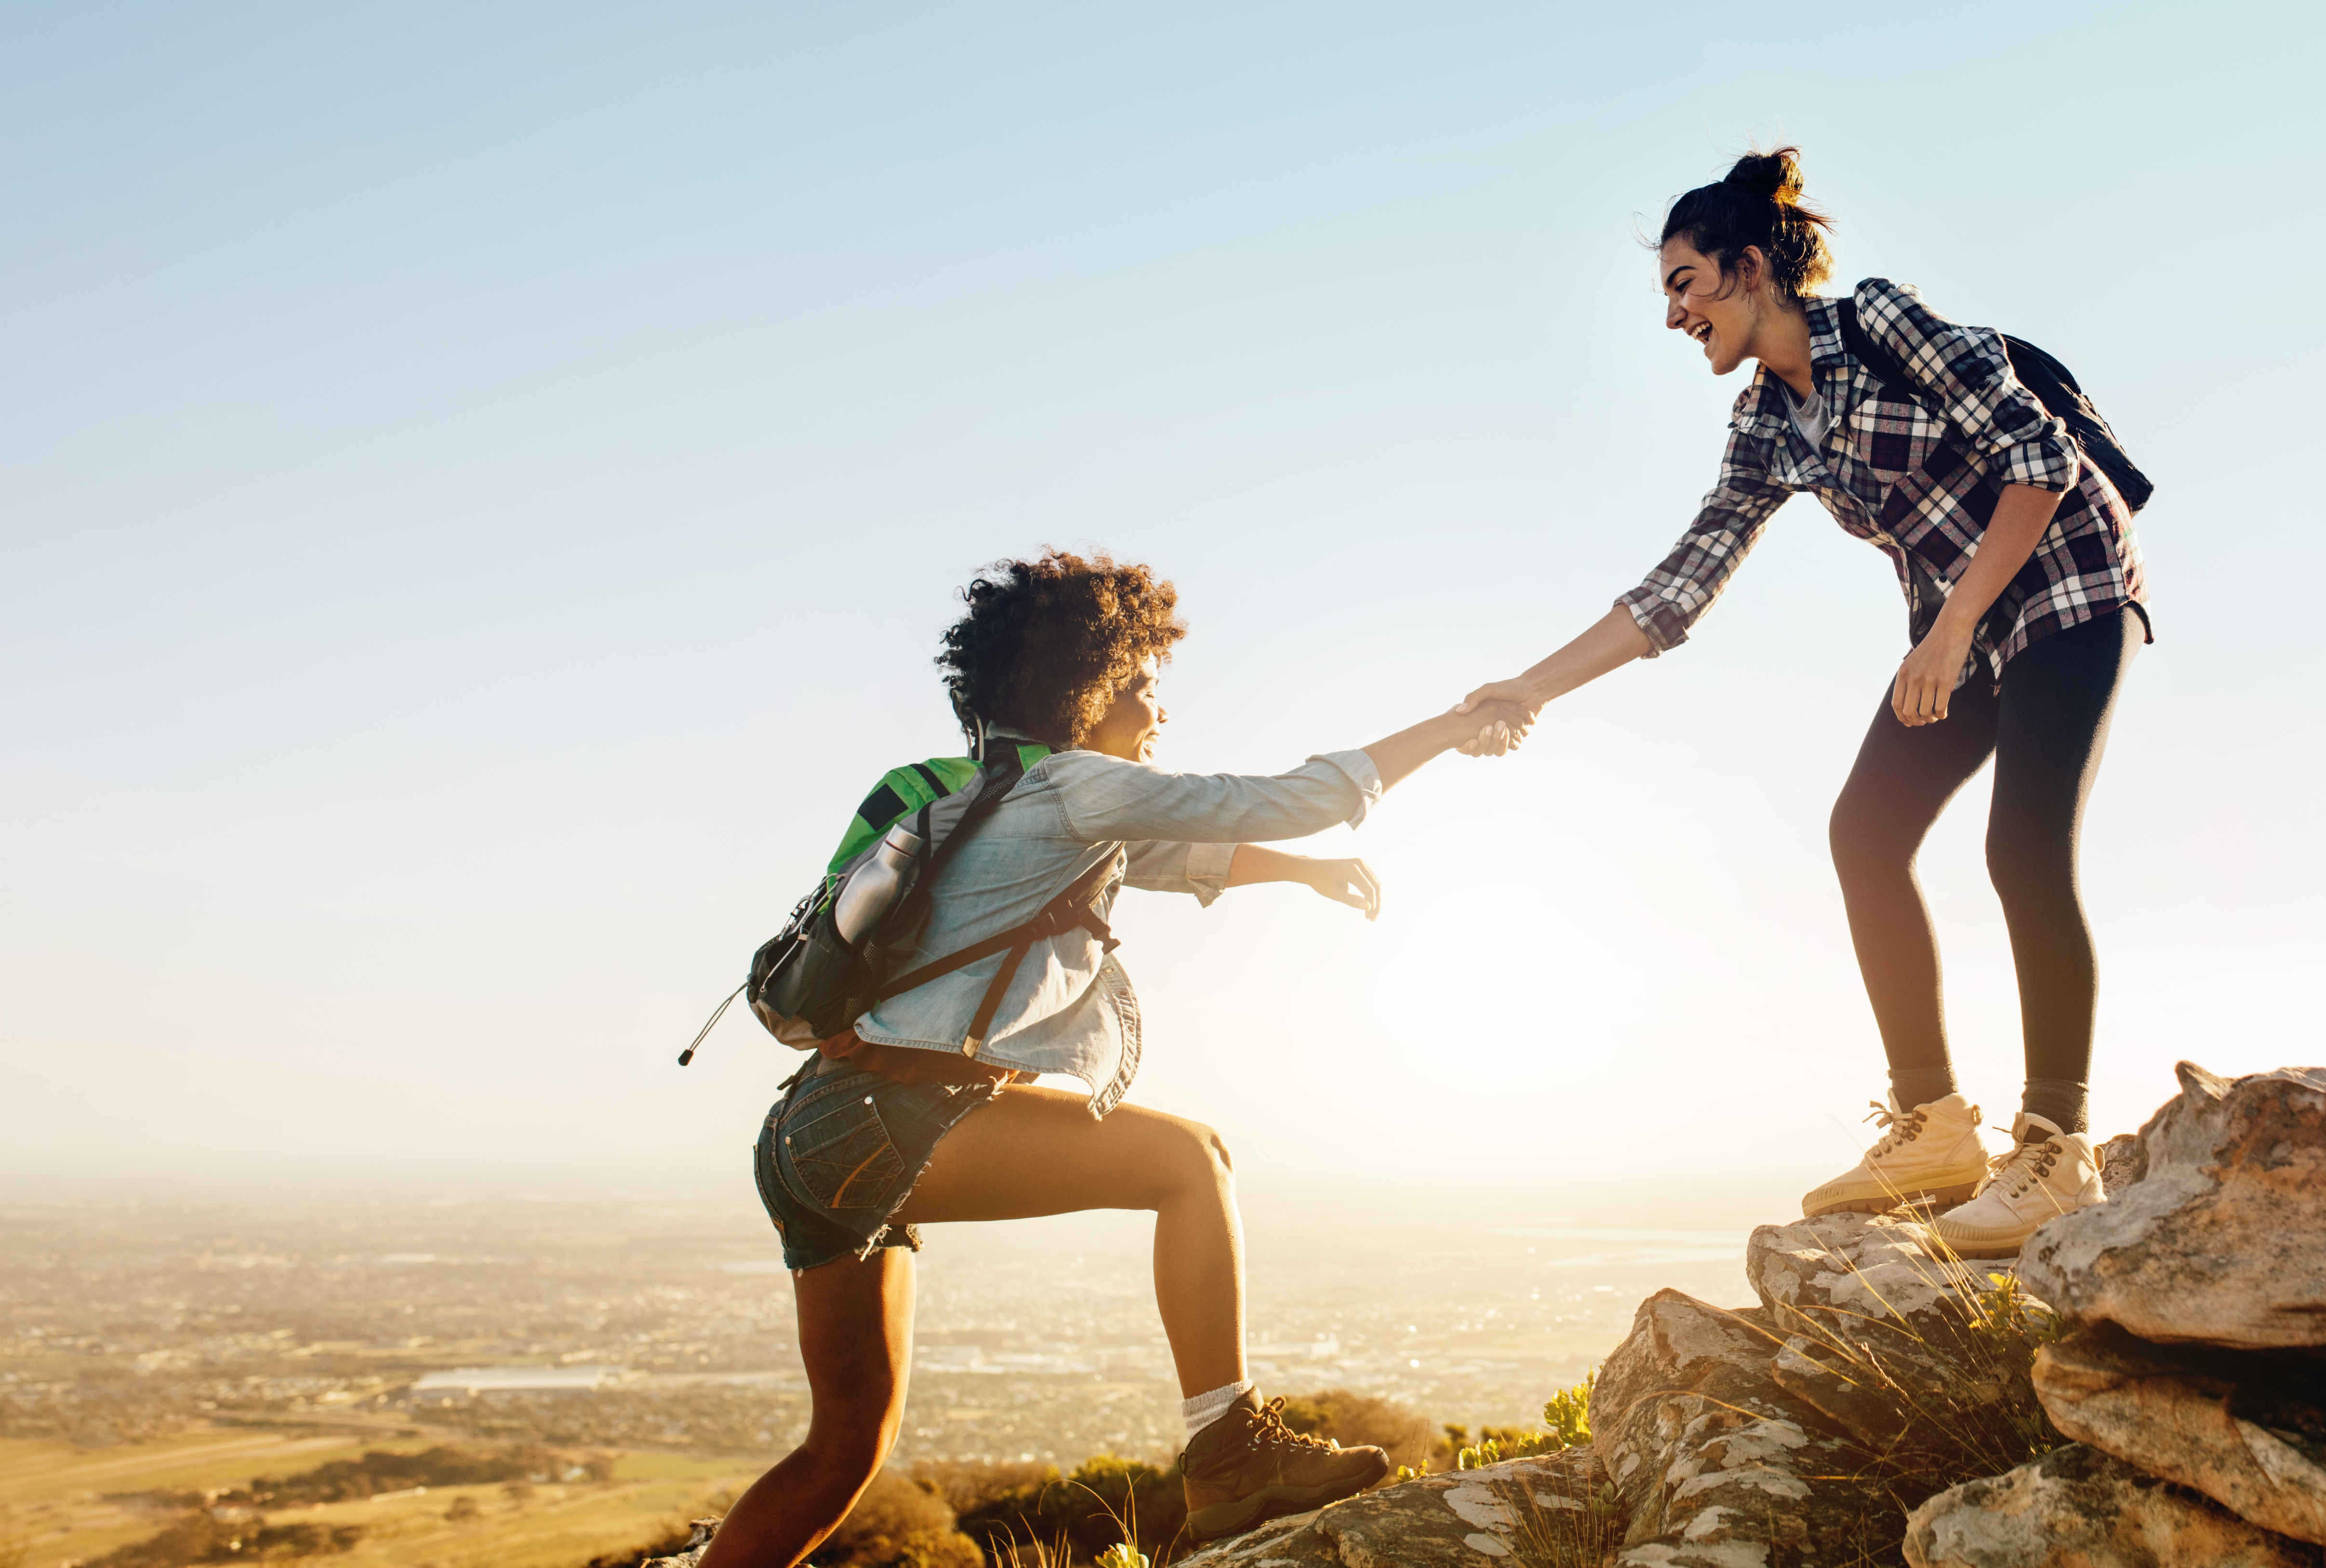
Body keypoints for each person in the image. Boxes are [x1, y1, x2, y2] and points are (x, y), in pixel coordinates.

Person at [702, 549, 1524, 1567]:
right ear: (1083, 691)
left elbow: (1183, 855)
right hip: (893, 1122)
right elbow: (1285, 796)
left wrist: (1305, 874)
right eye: (1141, 683)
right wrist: (1449, 727)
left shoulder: (977, 793)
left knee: (841, 1451)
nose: (1157, 709)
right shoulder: (1075, 790)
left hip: (809, 1135)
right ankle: (1229, 1449)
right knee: (1190, 1160)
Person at [1454, 148, 2149, 1258]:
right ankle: (1931, 1125)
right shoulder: (1764, 427)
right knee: (1863, 832)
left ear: (1746, 268)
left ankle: (2057, 1146)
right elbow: (1679, 588)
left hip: (2065, 588)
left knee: (2021, 848)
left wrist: (1957, 621)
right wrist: (1527, 688)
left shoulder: (1880, 321)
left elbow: (2039, 456)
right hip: (1955, 632)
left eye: (1682, 284)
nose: (1673, 313)